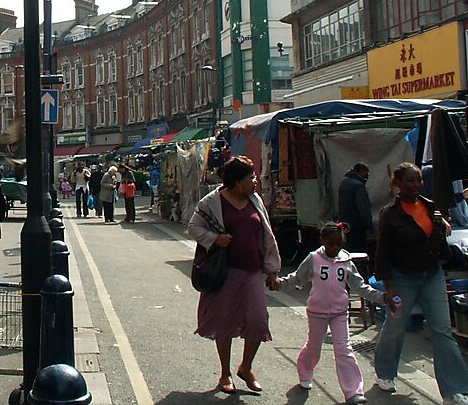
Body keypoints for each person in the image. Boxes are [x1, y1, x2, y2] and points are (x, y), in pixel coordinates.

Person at [373, 162, 468, 403]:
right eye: (410, 181)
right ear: (397, 183)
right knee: (395, 328)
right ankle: (385, 373)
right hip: (402, 279)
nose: (416, 185)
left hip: (432, 275)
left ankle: (454, 389)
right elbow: (382, 251)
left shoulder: (429, 207)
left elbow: (439, 244)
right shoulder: (390, 214)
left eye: (419, 181)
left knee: (442, 331)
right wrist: (389, 286)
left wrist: (441, 226)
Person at [187, 156, 281, 394]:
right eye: (251, 178)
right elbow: (194, 226)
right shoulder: (212, 202)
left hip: (252, 271)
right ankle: (225, 373)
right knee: (224, 323)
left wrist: (272, 270)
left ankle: (246, 368)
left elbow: (267, 236)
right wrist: (215, 239)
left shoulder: (255, 200)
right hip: (225, 272)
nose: (255, 181)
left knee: (258, 321)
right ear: (238, 182)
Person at [276, 222, 384, 404]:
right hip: (317, 311)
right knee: (314, 346)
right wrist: (280, 283)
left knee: (344, 349)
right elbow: (297, 278)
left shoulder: (346, 261)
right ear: (322, 241)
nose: (334, 248)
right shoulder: (313, 258)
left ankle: (353, 391)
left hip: (340, 312)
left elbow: (360, 287)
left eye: (338, 244)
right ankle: (305, 371)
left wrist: (382, 297)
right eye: (330, 244)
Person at [337, 163, 372, 253]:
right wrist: (369, 226)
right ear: (361, 171)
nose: (367, 177)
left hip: (344, 226)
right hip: (357, 228)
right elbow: (364, 209)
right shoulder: (359, 186)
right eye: (366, 174)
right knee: (358, 254)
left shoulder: (344, 182)